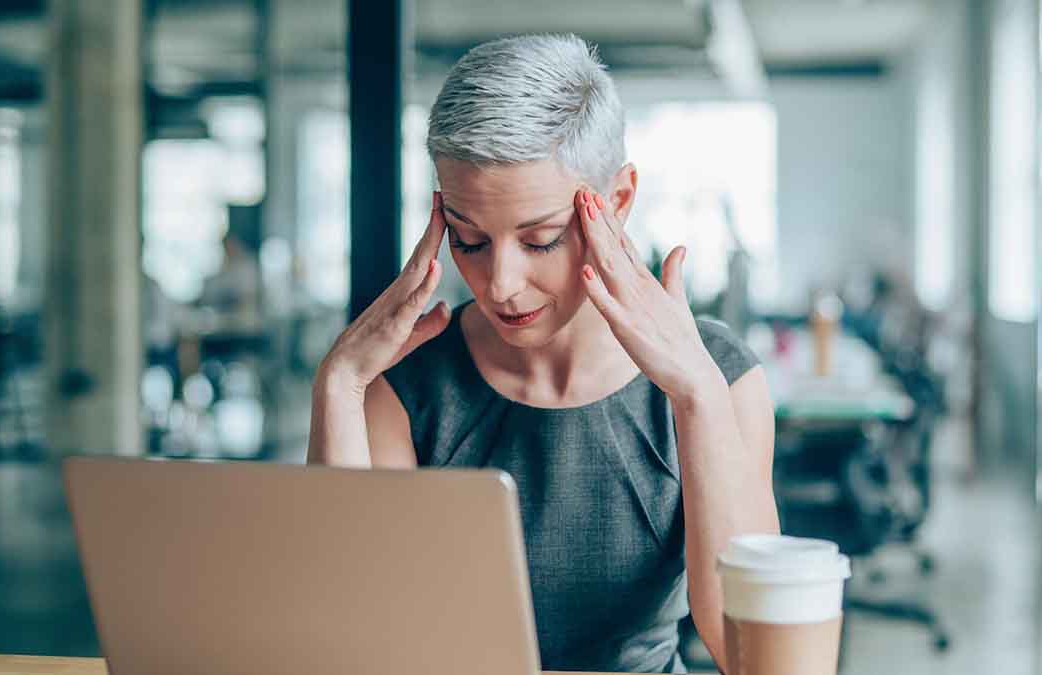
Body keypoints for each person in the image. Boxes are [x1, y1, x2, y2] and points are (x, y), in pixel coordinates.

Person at [308, 34, 779, 673]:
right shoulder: (408, 387)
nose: (500, 284)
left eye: (542, 240)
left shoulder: (720, 378)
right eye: (469, 242)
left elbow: (750, 653)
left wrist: (696, 397)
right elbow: (350, 642)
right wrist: (338, 384)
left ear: (615, 203)